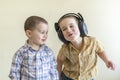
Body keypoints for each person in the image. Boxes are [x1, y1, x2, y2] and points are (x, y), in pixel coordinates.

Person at [54, 13, 115, 80]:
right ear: (61, 35)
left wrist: (107, 60)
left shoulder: (93, 42)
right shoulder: (64, 48)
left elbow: (100, 51)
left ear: (81, 27)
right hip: (68, 77)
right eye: (64, 29)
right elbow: (59, 61)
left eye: (71, 26)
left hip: (88, 77)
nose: (68, 30)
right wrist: (57, 76)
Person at [9, 16, 59, 80]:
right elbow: (14, 73)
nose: (45, 35)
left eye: (46, 33)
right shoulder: (21, 53)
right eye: (42, 32)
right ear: (29, 33)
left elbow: (53, 71)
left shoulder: (49, 52)